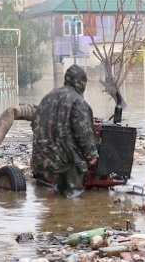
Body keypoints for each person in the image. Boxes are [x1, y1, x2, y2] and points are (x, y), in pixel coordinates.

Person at [31, 64, 98, 198]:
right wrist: (92, 155)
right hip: (64, 161)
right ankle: (71, 215)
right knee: (74, 195)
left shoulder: (48, 97)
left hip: (41, 158)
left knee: (60, 193)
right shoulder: (78, 101)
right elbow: (83, 133)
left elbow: (34, 125)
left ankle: (57, 216)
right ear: (82, 83)